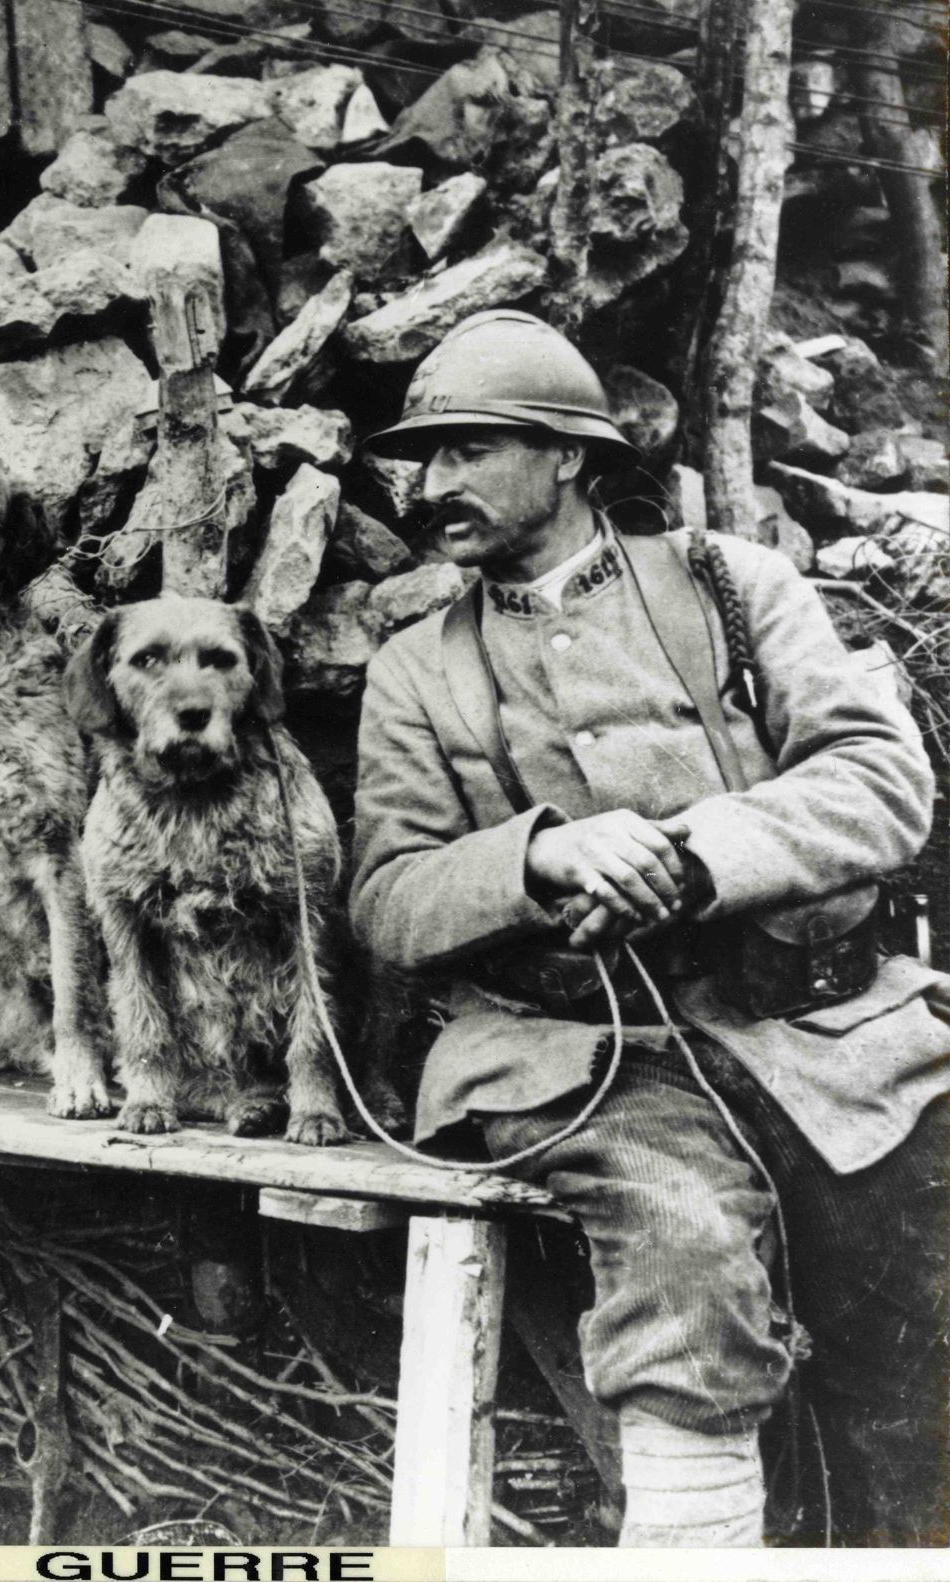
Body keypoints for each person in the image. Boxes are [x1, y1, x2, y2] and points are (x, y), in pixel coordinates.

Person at [348, 311, 950, 1547]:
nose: (433, 484)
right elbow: (387, 896)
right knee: (681, 1242)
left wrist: (692, 855)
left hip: (814, 1027)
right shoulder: (416, 666)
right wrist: (536, 855)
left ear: (567, 456)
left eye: (469, 449)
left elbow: (880, 780)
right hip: (581, 1053)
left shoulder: (736, 584)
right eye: (425, 457)